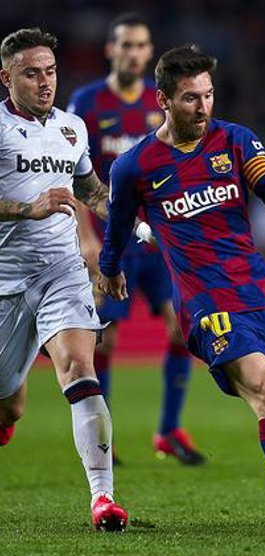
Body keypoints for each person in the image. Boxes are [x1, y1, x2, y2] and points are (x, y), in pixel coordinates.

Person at [98, 44, 265, 541]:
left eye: (208, 95)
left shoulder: (236, 141)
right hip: (209, 309)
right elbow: (115, 231)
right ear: (163, 99)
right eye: (190, 98)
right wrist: (110, 270)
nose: (202, 107)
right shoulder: (134, 167)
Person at [0, 27, 127, 530]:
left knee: (78, 366)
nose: (45, 82)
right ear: (7, 78)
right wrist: (26, 209)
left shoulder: (72, 128)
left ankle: (103, 499)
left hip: (61, 270)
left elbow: (91, 190)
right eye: (32, 74)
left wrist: (137, 222)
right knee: (9, 407)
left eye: (50, 71)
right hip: (4, 280)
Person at [67, 14, 204, 465]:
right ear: (111, 50)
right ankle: (104, 440)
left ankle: (169, 430)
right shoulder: (86, 102)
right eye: (126, 44)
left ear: (149, 52)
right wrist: (85, 237)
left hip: (158, 237)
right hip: (112, 239)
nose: (134, 52)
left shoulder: (158, 100)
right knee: (106, 339)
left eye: (141, 45)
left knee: (181, 327)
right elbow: (73, 174)